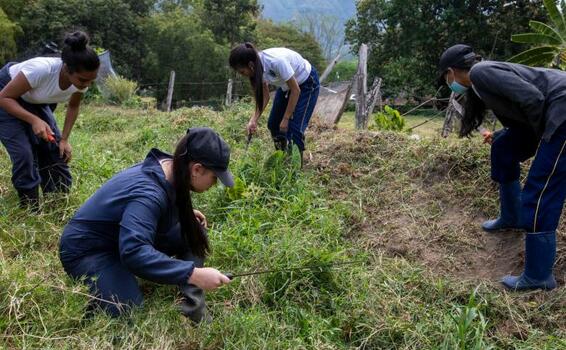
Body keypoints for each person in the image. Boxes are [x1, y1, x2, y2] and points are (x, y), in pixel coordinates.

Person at [59, 128, 233, 320]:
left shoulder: (170, 166)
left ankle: (192, 307)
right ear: (197, 169)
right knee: (131, 312)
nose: (214, 184)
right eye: (215, 177)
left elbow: (152, 204)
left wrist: (177, 211)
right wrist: (193, 273)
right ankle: (104, 287)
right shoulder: (148, 195)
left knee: (193, 230)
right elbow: (134, 251)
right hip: (89, 250)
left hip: (119, 237)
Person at [438, 44, 565, 290]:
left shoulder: (480, 72)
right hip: (553, 112)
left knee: (540, 189)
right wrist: (502, 135)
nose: (448, 83)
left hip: (561, 113)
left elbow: (534, 99)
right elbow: (523, 114)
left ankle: (539, 276)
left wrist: (544, 142)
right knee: (503, 147)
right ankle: (512, 217)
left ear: (451, 71)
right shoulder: (481, 84)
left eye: (445, 78)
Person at [0, 31, 99, 209]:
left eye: (91, 80)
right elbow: (4, 98)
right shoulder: (41, 70)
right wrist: (33, 120)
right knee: (24, 153)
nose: (87, 85)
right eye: (83, 80)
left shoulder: (81, 80)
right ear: (67, 69)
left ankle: (57, 202)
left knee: (55, 150)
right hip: (6, 94)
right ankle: (30, 207)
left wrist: (65, 139)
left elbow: (74, 106)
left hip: (35, 99)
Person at [229, 43, 320, 164]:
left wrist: (286, 118)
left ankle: (295, 169)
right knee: (273, 124)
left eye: (242, 71)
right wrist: (254, 119)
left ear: (250, 65)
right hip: (286, 86)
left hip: (306, 83)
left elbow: (296, 90)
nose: (242, 75)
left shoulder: (276, 62)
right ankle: (282, 159)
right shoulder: (257, 68)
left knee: (294, 129)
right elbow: (265, 97)